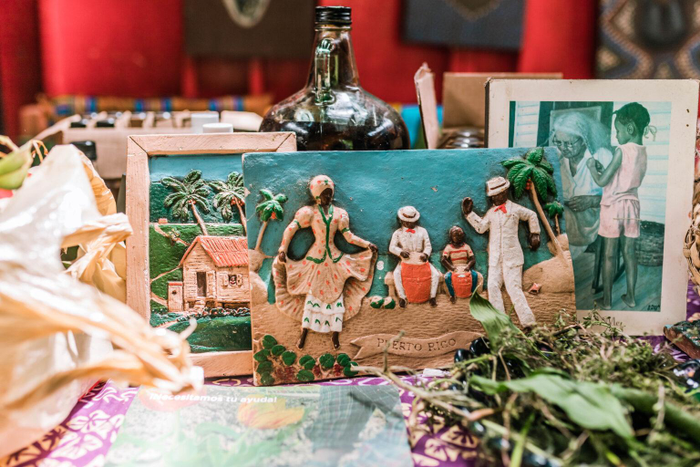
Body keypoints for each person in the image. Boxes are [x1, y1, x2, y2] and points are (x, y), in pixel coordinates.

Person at [275, 175, 377, 349]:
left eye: (330, 194)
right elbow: (291, 228)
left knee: (337, 297)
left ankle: (335, 335)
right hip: (316, 259)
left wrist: (367, 244)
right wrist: (283, 249)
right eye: (324, 194)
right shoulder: (309, 213)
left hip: (334, 260)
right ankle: (304, 333)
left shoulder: (339, 214)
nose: (328, 197)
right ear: (316, 195)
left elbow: (348, 236)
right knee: (312, 297)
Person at [587, 102, 650, 309]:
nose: (617, 135)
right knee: (629, 253)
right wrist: (604, 170)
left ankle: (606, 301)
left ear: (630, 129)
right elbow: (621, 176)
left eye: (618, 131)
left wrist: (592, 168)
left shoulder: (621, 150)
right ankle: (631, 298)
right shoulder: (642, 151)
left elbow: (602, 181)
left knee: (609, 254)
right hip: (632, 206)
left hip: (613, 207)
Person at [462, 176, 540, 327]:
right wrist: (469, 214)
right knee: (492, 287)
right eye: (492, 196)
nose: (494, 198)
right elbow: (481, 228)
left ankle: (529, 323)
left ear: (504, 193)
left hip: (512, 257)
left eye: (497, 195)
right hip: (495, 258)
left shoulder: (515, 209)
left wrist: (534, 233)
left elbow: (531, 215)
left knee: (513, 289)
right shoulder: (491, 212)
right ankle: (502, 323)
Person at [550, 112, 614, 259]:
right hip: (564, 214)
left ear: (583, 140)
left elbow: (617, 195)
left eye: (569, 143)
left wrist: (592, 200)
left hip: (591, 218)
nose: (563, 148)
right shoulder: (558, 159)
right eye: (559, 142)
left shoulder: (601, 157)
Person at [389, 206, 440, 307]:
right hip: (406, 260)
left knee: (435, 274)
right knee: (396, 274)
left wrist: (425, 254)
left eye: (411, 221)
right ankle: (402, 297)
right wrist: (400, 252)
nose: (408, 224)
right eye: (405, 221)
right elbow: (392, 247)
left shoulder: (422, 231)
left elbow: (428, 246)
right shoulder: (398, 233)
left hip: (420, 259)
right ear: (401, 221)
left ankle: (432, 297)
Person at [441, 226, 478, 302]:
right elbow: (443, 259)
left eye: (460, 235)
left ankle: (473, 293)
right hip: (455, 267)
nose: (458, 237)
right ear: (451, 237)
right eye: (455, 235)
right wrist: (452, 268)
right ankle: (452, 295)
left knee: (474, 275)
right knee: (447, 277)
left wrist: (468, 266)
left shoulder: (467, 247)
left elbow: (472, 259)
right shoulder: (449, 247)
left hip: (465, 267)